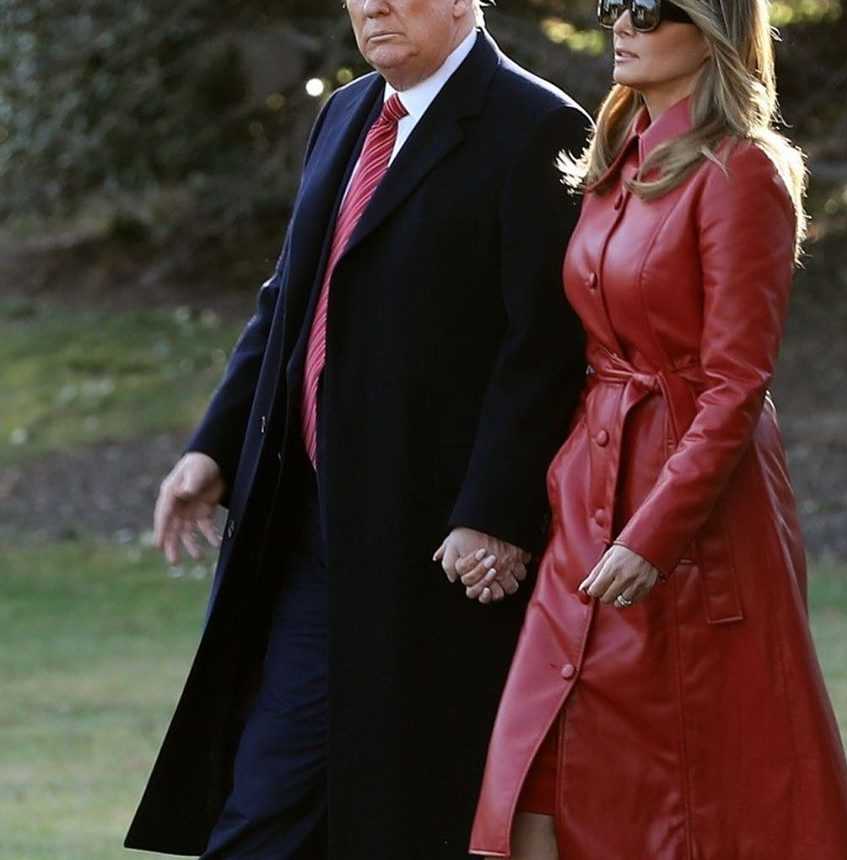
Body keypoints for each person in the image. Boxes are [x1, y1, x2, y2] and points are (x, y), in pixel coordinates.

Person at [124, 1, 591, 857]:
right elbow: (288, 299)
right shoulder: (345, 113)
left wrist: (493, 511)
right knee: (269, 809)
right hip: (302, 526)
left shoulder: (539, 125)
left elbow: (546, 347)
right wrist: (213, 446)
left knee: (391, 816)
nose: (373, 5)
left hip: (431, 550)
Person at [465, 1, 847, 857]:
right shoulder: (615, 159)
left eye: (647, 9)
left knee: (689, 799)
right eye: (612, 5)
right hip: (587, 505)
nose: (621, 23)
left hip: (692, 526)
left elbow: (736, 385)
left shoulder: (742, 171)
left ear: (714, 27)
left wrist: (654, 534)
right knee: (533, 780)